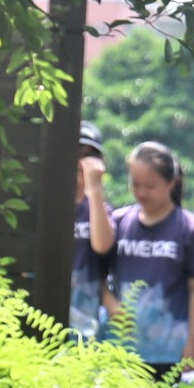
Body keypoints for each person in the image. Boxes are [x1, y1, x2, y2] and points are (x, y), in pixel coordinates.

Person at [103, 142, 194, 380]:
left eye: (150, 186)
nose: (141, 193)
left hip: (168, 350)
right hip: (119, 347)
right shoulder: (118, 221)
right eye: (135, 184)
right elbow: (97, 272)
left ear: (171, 182)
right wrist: (110, 303)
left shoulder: (191, 229)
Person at [72, 122, 114, 340]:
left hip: (86, 321)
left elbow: (102, 244)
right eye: (77, 153)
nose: (82, 163)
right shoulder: (47, 203)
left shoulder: (99, 208)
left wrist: (94, 190)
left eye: (90, 156)